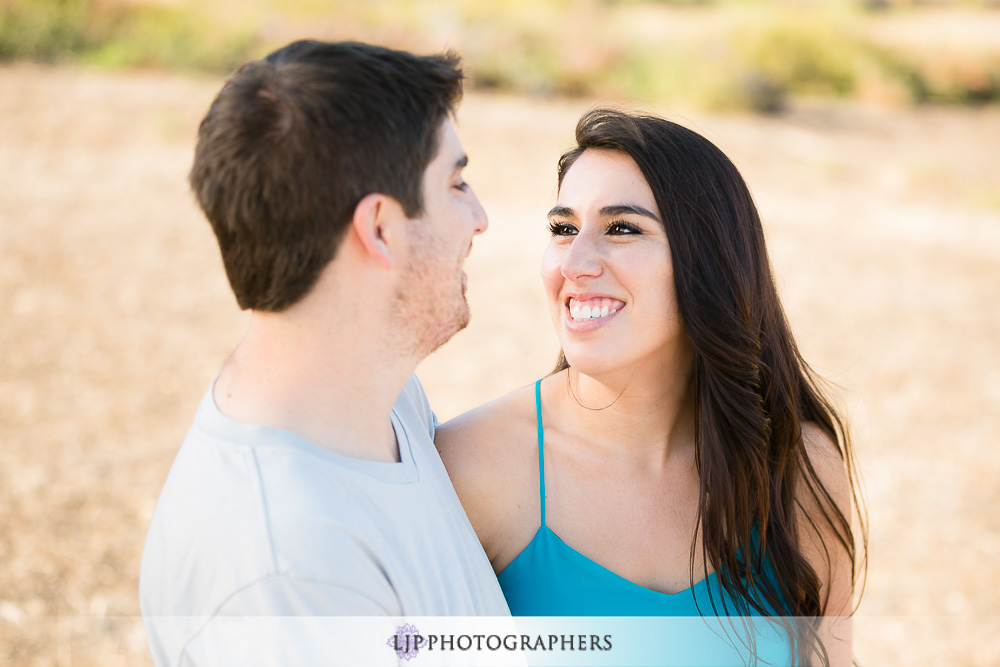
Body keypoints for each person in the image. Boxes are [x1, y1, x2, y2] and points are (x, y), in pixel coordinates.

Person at [437, 109, 866, 666]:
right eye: (563, 229)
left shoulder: (796, 466)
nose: (576, 263)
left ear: (709, 262)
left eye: (622, 228)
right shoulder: (475, 468)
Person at [139, 39, 508, 667]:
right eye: (456, 183)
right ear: (380, 229)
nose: (479, 218)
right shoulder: (291, 572)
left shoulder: (380, 402)